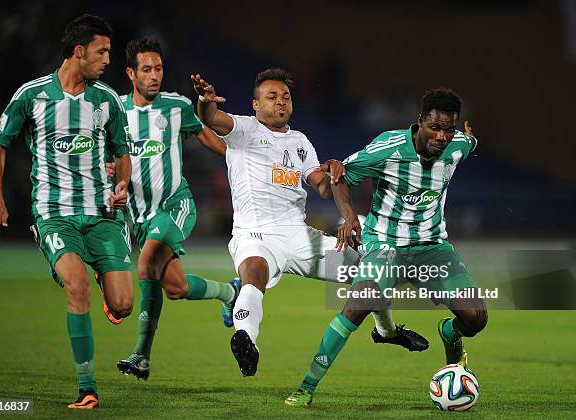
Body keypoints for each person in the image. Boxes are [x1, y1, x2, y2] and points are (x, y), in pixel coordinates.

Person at [191, 68, 429, 377]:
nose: (280, 102)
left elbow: (321, 187)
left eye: (285, 97)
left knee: (373, 271)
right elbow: (211, 117)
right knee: (254, 275)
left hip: (300, 236)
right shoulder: (244, 130)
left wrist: (333, 172)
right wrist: (204, 100)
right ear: (255, 105)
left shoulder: (300, 142)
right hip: (256, 234)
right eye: (272, 97)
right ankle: (247, 341)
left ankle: (387, 331)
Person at [285, 88, 488, 407]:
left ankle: (449, 332)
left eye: (449, 129)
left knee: (476, 318)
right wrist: (350, 217)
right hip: (385, 246)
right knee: (356, 307)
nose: (442, 136)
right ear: (420, 121)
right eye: (435, 127)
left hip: (432, 247)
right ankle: (306, 387)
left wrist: (470, 138)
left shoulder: (457, 146)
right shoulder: (388, 147)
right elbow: (340, 176)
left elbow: (468, 141)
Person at [0, 14, 132, 409]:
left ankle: (105, 280)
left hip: (102, 214)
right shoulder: (31, 96)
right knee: (75, 287)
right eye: (102, 51)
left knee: (123, 305)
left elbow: (123, 151)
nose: (108, 60)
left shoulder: (107, 100)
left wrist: (122, 186)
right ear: (79, 52)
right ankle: (87, 387)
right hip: (54, 213)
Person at [112, 37, 240, 380]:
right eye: (147, 69)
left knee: (145, 263)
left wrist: (242, 161)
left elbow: (207, 137)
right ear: (130, 73)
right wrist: (109, 171)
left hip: (175, 205)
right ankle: (230, 292)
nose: (155, 75)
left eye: (159, 68)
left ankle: (141, 355)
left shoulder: (176, 106)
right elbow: (108, 156)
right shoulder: (115, 110)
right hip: (139, 215)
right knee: (176, 288)